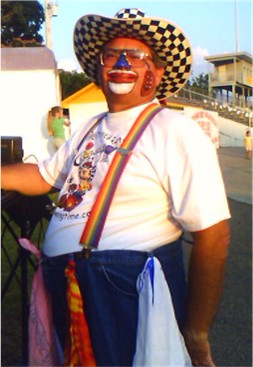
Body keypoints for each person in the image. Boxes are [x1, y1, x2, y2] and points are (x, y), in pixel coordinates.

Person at [1, 8, 230, 367]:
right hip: (70, 283)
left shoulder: (175, 130)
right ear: (101, 68)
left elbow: (213, 234)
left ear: (155, 73)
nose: (122, 61)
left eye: (136, 55)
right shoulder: (89, 127)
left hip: (123, 289)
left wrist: (196, 332)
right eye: (112, 54)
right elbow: (45, 176)